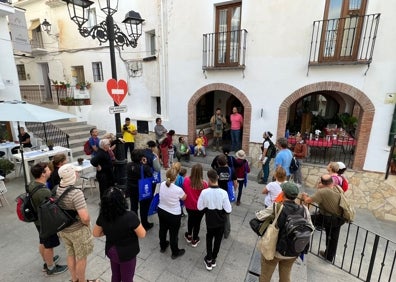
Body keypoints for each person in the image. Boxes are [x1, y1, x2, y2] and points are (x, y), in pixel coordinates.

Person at [260, 182, 313, 282]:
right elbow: (311, 228)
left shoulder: (277, 207)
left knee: (265, 276)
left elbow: (260, 215)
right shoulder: (304, 209)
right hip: (292, 251)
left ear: (283, 193)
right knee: (285, 276)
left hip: (275, 250)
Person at [93, 187, 146, 282]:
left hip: (112, 250)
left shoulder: (103, 215)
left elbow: (96, 233)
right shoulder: (130, 216)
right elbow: (142, 234)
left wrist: (110, 231)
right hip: (127, 253)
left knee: (115, 275)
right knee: (127, 278)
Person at [56, 164, 98, 282]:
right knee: (81, 258)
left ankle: (74, 279)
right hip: (77, 230)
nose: (77, 174)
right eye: (75, 172)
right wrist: (87, 224)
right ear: (71, 175)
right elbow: (84, 217)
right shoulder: (76, 193)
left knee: (70, 254)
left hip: (65, 230)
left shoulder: (58, 188)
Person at [28, 162, 68, 276]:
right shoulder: (43, 191)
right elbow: (52, 208)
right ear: (43, 174)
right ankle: (50, 267)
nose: (50, 171)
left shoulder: (32, 184)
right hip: (46, 223)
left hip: (38, 220)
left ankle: (47, 261)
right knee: (49, 245)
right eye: (48, 170)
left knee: (43, 241)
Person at [301, 174, 345, 262]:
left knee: (306, 223)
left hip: (327, 217)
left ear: (322, 183)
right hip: (340, 218)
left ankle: (303, 248)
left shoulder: (322, 192)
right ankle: (329, 256)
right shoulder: (337, 188)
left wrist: (304, 196)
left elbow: (307, 201)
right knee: (333, 237)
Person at [198, 169, 232, 271]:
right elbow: (228, 209)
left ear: (209, 179)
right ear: (217, 178)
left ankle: (208, 258)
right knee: (218, 240)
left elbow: (199, 207)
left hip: (210, 220)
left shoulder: (204, 192)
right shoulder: (223, 193)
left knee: (209, 238)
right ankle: (214, 258)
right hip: (221, 221)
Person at [157, 168, 187, 259]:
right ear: (176, 177)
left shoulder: (162, 184)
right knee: (173, 234)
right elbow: (184, 198)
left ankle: (163, 246)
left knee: (162, 229)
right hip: (174, 214)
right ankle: (175, 252)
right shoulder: (178, 189)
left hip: (161, 210)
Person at [126, 149, 154, 231]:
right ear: (141, 158)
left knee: (134, 206)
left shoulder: (128, 165)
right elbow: (150, 175)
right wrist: (145, 164)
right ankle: (145, 224)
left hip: (131, 188)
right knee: (143, 207)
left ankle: (134, 224)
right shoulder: (144, 167)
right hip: (141, 189)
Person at [183, 164, 209, 247]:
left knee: (190, 219)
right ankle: (195, 239)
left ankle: (189, 235)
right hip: (200, 208)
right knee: (197, 223)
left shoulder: (186, 180)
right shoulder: (204, 184)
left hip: (189, 206)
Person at [215, 154, 237, 239]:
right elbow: (235, 183)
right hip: (227, 195)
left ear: (218, 163)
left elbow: (214, 182)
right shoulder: (231, 170)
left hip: (219, 195)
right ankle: (226, 232)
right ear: (226, 162)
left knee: (218, 213)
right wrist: (234, 190)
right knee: (227, 214)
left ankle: (218, 230)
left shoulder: (216, 171)